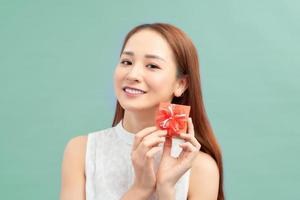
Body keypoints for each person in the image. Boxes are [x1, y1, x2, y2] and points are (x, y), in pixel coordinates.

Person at [60, 23, 224, 200]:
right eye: (126, 62)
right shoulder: (81, 151)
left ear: (180, 84)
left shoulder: (200, 168)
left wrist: (166, 189)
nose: (132, 74)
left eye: (152, 66)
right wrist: (140, 188)